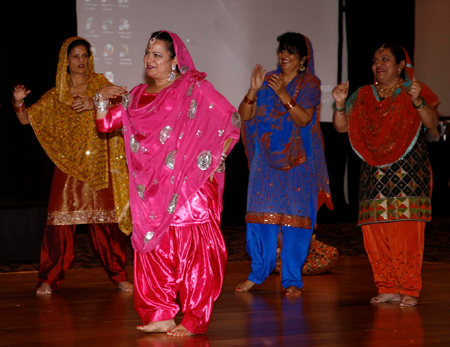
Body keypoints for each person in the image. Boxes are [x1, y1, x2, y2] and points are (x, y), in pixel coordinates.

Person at [95, 30, 240, 337]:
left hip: (189, 188)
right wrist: (100, 100)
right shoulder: (135, 95)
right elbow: (106, 125)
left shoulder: (193, 88)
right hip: (152, 191)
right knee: (155, 250)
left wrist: (209, 162)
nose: (150, 60)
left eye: (158, 55)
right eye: (148, 53)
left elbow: (230, 119)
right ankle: (160, 313)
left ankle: (193, 318)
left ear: (175, 61)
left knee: (193, 253)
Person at [12, 37, 133, 295]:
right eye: (76, 56)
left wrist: (94, 102)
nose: (81, 61)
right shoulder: (58, 94)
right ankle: (49, 277)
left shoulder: (100, 85)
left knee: (105, 224)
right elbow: (26, 120)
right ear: (65, 61)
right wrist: (18, 101)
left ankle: (119, 275)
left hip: (98, 165)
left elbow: (125, 105)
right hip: (67, 166)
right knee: (59, 225)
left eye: (84, 56)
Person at [332, 42, 440, 306]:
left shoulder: (415, 89)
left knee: (405, 231)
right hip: (374, 173)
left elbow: (432, 122)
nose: (378, 64)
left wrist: (417, 101)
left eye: (385, 59)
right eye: (375, 60)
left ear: (401, 65)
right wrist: (339, 104)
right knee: (375, 231)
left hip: (409, 173)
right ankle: (388, 285)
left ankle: (409, 288)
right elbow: (341, 128)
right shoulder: (363, 94)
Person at [235, 32, 333, 296]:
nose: (284, 56)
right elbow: (245, 116)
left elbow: (303, 120)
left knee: (295, 222)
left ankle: (291, 279)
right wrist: (253, 90)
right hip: (265, 159)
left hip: (298, 160)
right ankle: (258, 273)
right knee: (260, 218)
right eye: (282, 51)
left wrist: (282, 94)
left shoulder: (310, 83)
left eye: (290, 52)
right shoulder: (268, 82)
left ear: (302, 59)